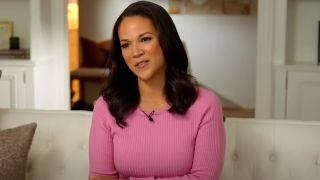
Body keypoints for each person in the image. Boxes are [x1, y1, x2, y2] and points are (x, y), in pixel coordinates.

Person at [89, 1, 225, 180]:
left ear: (166, 40)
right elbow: (100, 178)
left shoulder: (206, 105)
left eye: (145, 39)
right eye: (126, 45)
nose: (135, 52)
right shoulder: (105, 106)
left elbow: (205, 178)